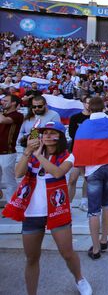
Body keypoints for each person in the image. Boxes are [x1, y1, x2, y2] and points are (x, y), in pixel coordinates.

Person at [3, 121, 92, 295]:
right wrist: (28, 152)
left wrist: (39, 155)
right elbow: (18, 173)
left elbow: (57, 172)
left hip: (56, 210)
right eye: (45, 133)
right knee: (31, 258)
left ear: (60, 137)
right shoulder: (32, 154)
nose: (48, 136)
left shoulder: (68, 155)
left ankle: (80, 279)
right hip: (31, 212)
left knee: (67, 253)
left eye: (53, 133)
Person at [72, 96, 108, 260]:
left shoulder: (85, 125)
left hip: (93, 169)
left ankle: (95, 249)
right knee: (107, 203)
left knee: (93, 210)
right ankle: (104, 239)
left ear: (90, 108)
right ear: (103, 107)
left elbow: (78, 149)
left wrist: (82, 172)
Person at [67, 96, 91, 211]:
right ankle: (68, 204)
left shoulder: (94, 118)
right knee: (72, 178)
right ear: (83, 103)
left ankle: (84, 201)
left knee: (87, 178)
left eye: (91, 103)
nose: (89, 105)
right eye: (87, 103)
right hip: (76, 150)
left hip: (91, 151)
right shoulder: (75, 117)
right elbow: (72, 134)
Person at [0, 94, 24, 200]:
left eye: (5, 100)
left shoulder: (17, 115)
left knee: (9, 181)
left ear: (14, 103)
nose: (2, 102)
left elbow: (3, 121)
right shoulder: (3, 114)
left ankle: (11, 206)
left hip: (7, 153)